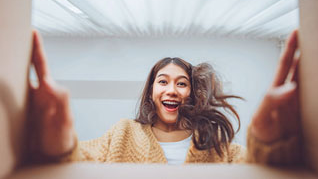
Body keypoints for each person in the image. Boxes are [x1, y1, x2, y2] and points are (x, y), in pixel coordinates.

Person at [26, 30, 301, 165]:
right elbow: (79, 159)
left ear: (192, 93)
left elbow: (255, 164)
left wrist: (269, 143)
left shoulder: (214, 142)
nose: (172, 89)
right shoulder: (123, 132)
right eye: (163, 82)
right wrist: (58, 142)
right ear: (151, 93)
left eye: (182, 83)